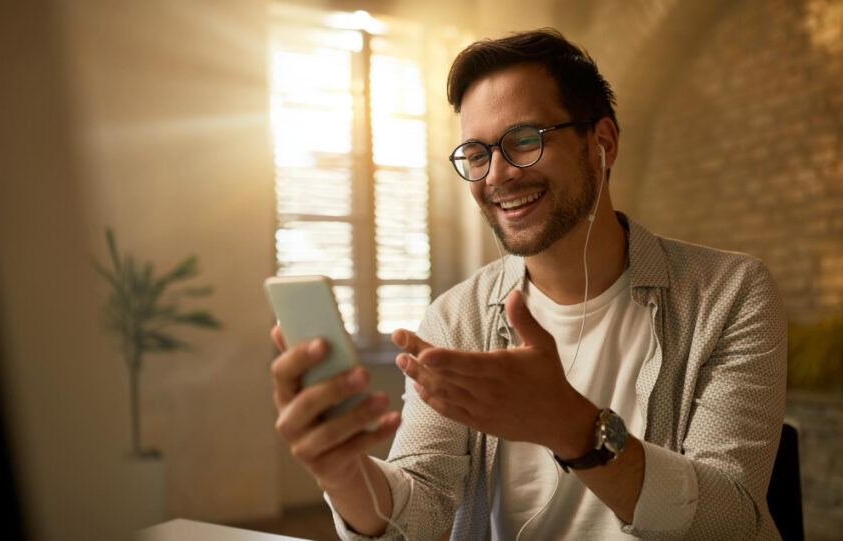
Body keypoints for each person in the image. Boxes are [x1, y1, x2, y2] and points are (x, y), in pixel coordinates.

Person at [269, 29, 787, 540]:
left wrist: (571, 427)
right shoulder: (457, 319)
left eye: (524, 140)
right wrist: (342, 475)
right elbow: (421, 511)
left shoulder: (731, 293)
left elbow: (733, 519)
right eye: (476, 154)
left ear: (601, 143)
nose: (496, 175)